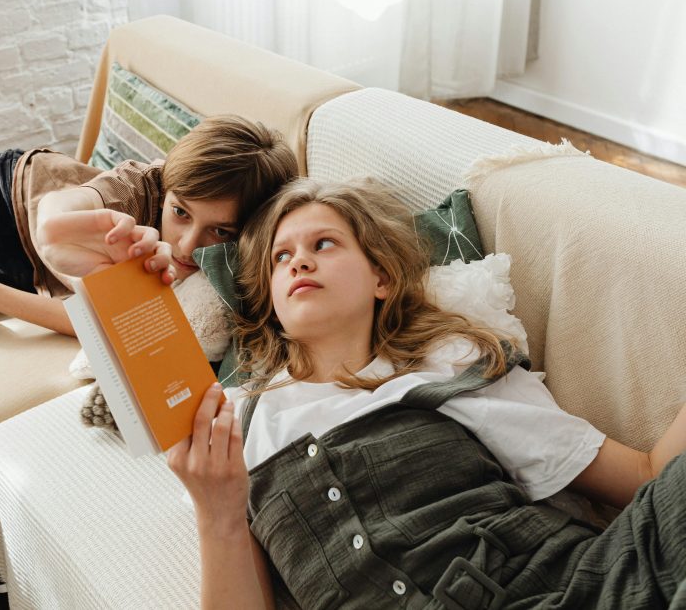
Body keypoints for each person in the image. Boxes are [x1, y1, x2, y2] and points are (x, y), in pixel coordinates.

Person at [168, 178, 686, 609]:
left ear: (382, 279)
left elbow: (643, 475)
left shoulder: (447, 362)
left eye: (323, 244)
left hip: (581, 590)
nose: (299, 262)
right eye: (282, 257)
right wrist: (215, 512)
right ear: (273, 304)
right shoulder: (236, 426)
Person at [0, 115, 298, 331]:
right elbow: (58, 211)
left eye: (221, 231)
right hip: (2, 195)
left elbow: (88, 323)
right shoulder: (137, 188)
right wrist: (54, 232)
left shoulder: (225, 274)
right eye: (180, 213)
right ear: (165, 188)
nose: (188, 246)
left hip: (24, 271)